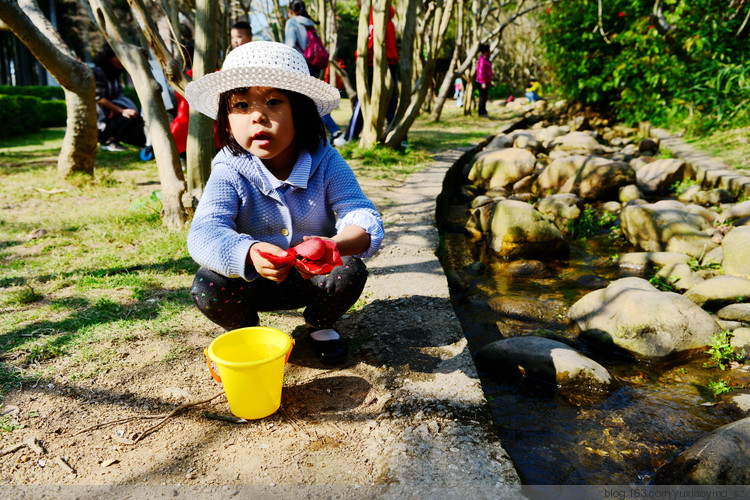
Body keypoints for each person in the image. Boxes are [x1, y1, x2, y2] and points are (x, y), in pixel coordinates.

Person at [184, 42, 384, 364]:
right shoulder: (228, 168)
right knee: (207, 284)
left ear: (300, 111)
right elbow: (205, 231)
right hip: (251, 281)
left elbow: (359, 212)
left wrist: (333, 245)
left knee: (349, 270)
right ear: (226, 117)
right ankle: (247, 330)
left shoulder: (326, 161)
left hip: (312, 280)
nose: (257, 117)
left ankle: (318, 324)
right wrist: (248, 253)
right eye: (241, 105)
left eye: (273, 102)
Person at [285, 0, 346, 148]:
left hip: (301, 65)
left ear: (291, 11)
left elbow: (291, 46)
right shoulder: (310, 23)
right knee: (310, 101)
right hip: (315, 65)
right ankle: (324, 134)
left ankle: (335, 132)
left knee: (309, 102)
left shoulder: (292, 23)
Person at [344, 3, 402, 145]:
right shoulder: (387, 15)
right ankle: (395, 135)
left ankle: (349, 137)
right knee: (391, 101)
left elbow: (370, 39)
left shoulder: (372, 13)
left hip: (373, 63)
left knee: (362, 100)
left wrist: (360, 56)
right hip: (391, 61)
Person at [94, 45, 146, 152]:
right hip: (103, 119)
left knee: (136, 119)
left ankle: (146, 144)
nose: (122, 60)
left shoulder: (115, 74)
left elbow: (119, 95)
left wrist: (117, 109)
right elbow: (99, 98)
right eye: (119, 56)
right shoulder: (99, 72)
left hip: (114, 114)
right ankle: (106, 139)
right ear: (109, 57)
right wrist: (120, 110)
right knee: (129, 122)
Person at [475, 43, 492, 117]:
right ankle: (481, 112)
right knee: (482, 97)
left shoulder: (486, 59)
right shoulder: (482, 60)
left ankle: (483, 110)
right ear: (485, 51)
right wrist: (483, 82)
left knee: (485, 97)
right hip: (481, 82)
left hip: (486, 81)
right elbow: (481, 71)